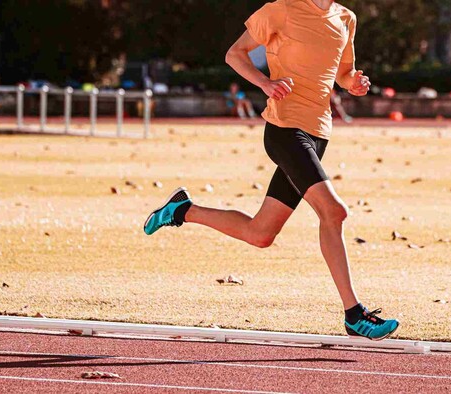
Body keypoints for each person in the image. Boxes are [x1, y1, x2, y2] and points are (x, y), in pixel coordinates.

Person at [144, 0, 399, 341]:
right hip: (285, 129)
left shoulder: (345, 18)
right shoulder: (282, 9)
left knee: (260, 234)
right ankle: (354, 314)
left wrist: (354, 82)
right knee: (334, 211)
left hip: (318, 133)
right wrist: (264, 84)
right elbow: (235, 54)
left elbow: (342, 72)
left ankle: (182, 210)